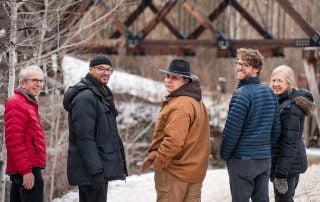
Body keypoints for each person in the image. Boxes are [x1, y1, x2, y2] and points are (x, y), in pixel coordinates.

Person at [140, 58, 210, 202]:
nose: (169, 80)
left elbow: (173, 141)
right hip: (194, 172)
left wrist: (159, 162)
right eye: (167, 76)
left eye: (175, 77)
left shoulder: (180, 105)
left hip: (174, 173)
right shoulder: (196, 101)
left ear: (186, 81)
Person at [63, 54, 128, 202]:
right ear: (91, 70)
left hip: (97, 168)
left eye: (108, 69)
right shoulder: (86, 98)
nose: (105, 73)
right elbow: (85, 138)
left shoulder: (100, 95)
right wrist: (96, 172)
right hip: (91, 172)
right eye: (100, 69)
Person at [220, 48, 281, 202]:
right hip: (264, 160)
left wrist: (225, 155)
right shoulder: (270, 93)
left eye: (245, 65)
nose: (239, 67)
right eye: (238, 63)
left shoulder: (242, 95)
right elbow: (276, 130)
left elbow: (231, 132)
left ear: (256, 69)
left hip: (242, 161)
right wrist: (265, 149)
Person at [270, 65, 315, 202]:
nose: (275, 84)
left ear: (289, 83)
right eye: (273, 80)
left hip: (287, 166)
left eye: (280, 81)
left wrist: (281, 174)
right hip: (288, 163)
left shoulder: (290, 109)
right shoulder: (281, 101)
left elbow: (289, 143)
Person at [4, 65, 46, 202]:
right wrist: (26, 170)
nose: (39, 84)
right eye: (35, 80)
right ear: (22, 83)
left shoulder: (28, 103)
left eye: (41, 81)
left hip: (26, 168)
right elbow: (14, 140)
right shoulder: (17, 103)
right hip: (27, 169)